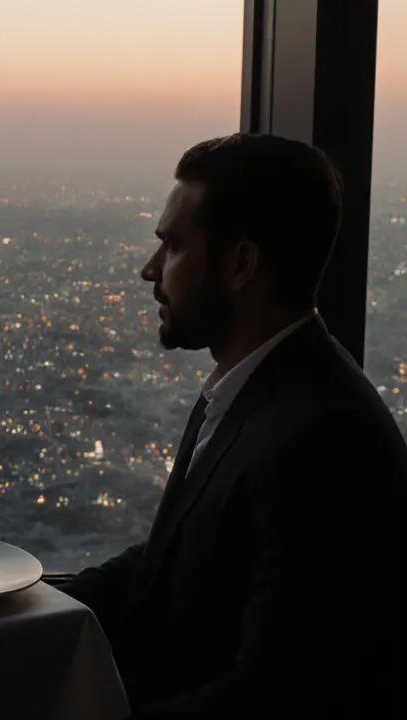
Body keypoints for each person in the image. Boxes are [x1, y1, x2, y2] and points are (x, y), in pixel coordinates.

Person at [59, 134, 407, 718]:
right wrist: (9, 598)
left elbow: (274, 692)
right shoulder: (259, 388)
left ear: (242, 264)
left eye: (172, 247)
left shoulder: (323, 438)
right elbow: (178, 558)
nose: (150, 271)